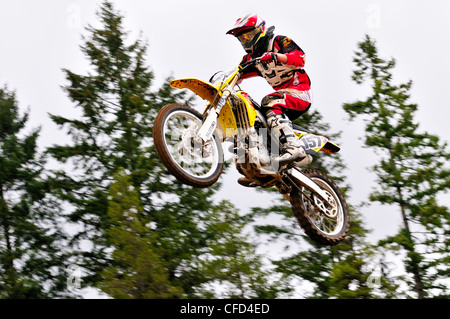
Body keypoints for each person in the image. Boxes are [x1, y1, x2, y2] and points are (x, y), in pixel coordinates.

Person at [226, 14, 313, 186]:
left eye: (247, 36)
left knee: (268, 101)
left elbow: (300, 59)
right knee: (246, 108)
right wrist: (224, 84)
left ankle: (293, 147)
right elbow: (238, 73)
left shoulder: (279, 42)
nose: (245, 41)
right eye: (241, 39)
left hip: (300, 93)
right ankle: (259, 164)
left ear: (259, 30)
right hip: (283, 99)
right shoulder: (251, 59)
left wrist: (275, 56)